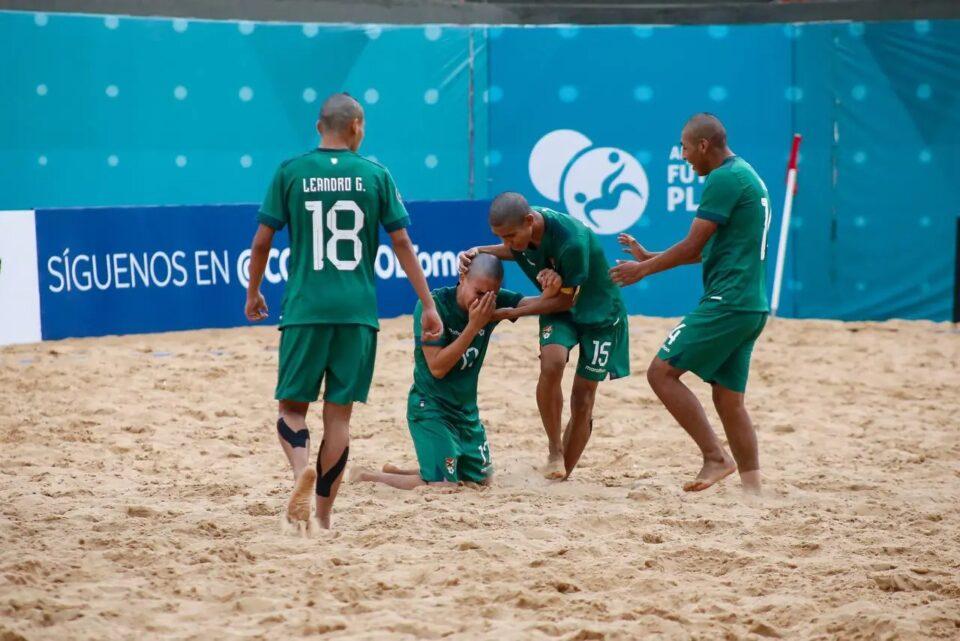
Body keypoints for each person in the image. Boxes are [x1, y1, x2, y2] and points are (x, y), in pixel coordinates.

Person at [244, 92, 443, 528]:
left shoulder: (290, 172)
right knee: (339, 418)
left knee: (292, 410)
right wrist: (428, 304)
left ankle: (301, 472)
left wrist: (253, 291)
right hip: (356, 314)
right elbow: (403, 243)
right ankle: (324, 517)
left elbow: (261, 241)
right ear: (356, 126)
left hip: (305, 310)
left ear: (320, 127)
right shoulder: (375, 175)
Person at [609, 113, 771, 494]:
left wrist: (643, 270)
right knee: (729, 400)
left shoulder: (723, 179)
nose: (682, 156)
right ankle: (753, 490)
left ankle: (716, 458)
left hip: (727, 301)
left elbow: (694, 245)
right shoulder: (746, 174)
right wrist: (648, 255)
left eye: (684, 147)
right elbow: (710, 249)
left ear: (702, 145)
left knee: (660, 373)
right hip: (750, 304)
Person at [459, 193, 630, 480]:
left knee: (583, 397)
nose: (507, 244)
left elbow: (566, 302)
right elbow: (511, 250)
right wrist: (477, 250)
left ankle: (563, 475)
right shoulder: (523, 226)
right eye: (501, 237)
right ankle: (555, 451)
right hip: (559, 305)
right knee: (551, 364)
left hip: (599, 316)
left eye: (510, 236)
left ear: (529, 222)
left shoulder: (571, 241)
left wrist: (508, 312)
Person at [351, 254, 536, 489]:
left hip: (466, 413)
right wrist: (474, 326)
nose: (483, 302)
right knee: (445, 485)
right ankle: (366, 476)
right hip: (431, 408)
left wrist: (556, 285)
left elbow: (538, 305)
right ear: (463, 277)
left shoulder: (490, 300)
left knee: (481, 481)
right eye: (478, 293)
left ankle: (410, 470)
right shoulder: (433, 307)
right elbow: (437, 368)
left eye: (492, 296)